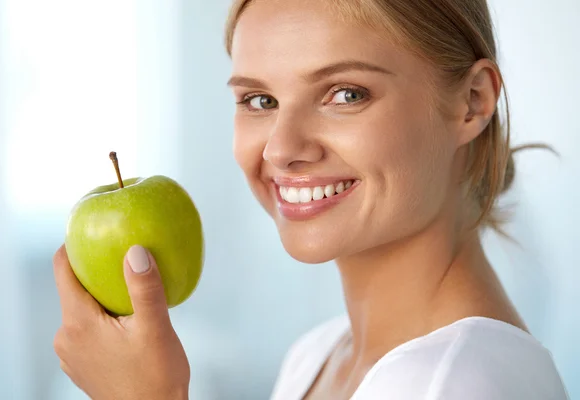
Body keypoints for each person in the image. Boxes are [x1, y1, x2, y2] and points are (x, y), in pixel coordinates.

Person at [52, 0, 570, 399]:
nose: (281, 149)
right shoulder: (319, 356)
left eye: (345, 93)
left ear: (471, 102)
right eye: (260, 100)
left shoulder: (454, 381)